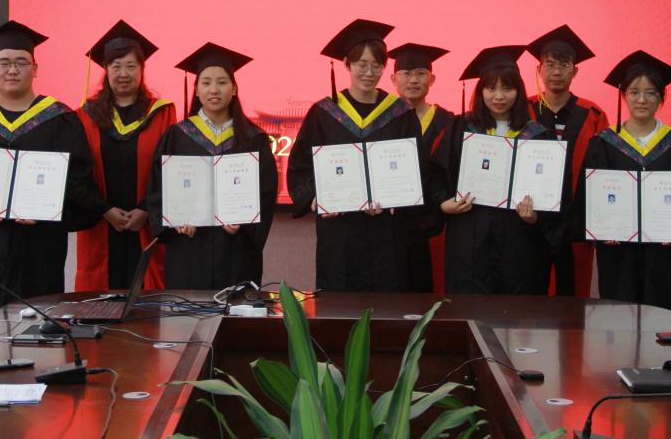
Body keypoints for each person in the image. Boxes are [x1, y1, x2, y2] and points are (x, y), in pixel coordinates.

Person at [0, 21, 116, 328]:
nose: (12, 70)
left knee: (40, 321)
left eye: (21, 62)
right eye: (4, 62)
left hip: (40, 245)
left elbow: (78, 182)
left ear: (35, 69)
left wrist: (49, 212)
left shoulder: (59, 119)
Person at [286, 19, 422, 292]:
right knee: (340, 296)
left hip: (385, 230)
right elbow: (301, 165)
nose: (369, 73)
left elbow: (416, 168)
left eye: (377, 65)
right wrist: (314, 197)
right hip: (340, 230)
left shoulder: (400, 113)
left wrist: (398, 198)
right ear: (347, 64)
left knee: (386, 297)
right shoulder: (324, 113)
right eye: (362, 64)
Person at [574, 50, 671, 311]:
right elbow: (588, 197)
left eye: (651, 93)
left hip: (664, 252)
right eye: (634, 92)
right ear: (624, 95)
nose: (642, 99)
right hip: (618, 252)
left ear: (661, 97)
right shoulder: (603, 143)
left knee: (661, 312)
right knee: (618, 312)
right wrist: (602, 229)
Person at [144, 43, 277, 288]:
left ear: (234, 89)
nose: (214, 89)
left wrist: (245, 223)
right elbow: (157, 189)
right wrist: (175, 221)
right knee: (188, 308)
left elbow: (266, 192)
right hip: (189, 249)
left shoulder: (253, 138)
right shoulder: (177, 136)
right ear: (196, 90)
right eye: (206, 83)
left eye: (222, 82)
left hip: (235, 251)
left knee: (235, 308)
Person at [430, 45, 552, 294]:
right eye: (490, 88)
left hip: (517, 238)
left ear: (519, 91)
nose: (498, 96)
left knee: (515, 305)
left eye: (507, 88)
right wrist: (443, 204)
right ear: (481, 91)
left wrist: (536, 216)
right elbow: (435, 173)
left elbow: (550, 191)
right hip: (469, 233)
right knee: (470, 303)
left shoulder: (536, 135)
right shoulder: (461, 127)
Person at [74, 20, 176, 291]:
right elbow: (77, 172)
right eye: (116, 66)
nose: (123, 73)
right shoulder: (86, 115)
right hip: (101, 223)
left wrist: (145, 209)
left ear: (142, 70)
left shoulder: (162, 113)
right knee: (99, 299)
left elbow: (170, 168)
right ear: (105, 70)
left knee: (147, 300)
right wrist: (104, 210)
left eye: (131, 66)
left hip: (146, 225)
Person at [526, 24, 609, 297]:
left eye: (564, 65)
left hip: (575, 223)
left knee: (573, 296)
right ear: (539, 70)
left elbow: (604, 172)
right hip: (529, 220)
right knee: (528, 292)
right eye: (550, 65)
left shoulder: (593, 114)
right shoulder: (524, 110)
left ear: (575, 71)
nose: (557, 71)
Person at [389, 42, 452, 293]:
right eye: (405, 73)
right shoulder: (383, 120)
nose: (413, 80)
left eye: (421, 73)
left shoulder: (447, 121)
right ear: (393, 79)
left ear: (432, 79)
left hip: (433, 221)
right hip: (390, 221)